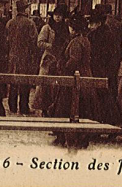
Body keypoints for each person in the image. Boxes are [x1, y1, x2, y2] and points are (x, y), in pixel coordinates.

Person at [52, 11, 96, 147]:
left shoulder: (76, 42)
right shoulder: (85, 40)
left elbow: (73, 60)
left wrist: (63, 67)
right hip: (86, 76)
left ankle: (64, 137)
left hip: (75, 78)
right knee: (83, 109)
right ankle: (82, 138)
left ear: (73, 28)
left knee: (66, 108)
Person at [32, 4, 70, 116]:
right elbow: (39, 42)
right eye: (56, 15)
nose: (57, 18)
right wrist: (51, 46)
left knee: (56, 85)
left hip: (60, 58)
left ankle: (54, 108)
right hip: (48, 59)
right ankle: (43, 108)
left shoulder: (65, 28)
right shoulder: (47, 28)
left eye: (60, 16)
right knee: (44, 84)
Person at [87, 7, 120, 125]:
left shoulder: (99, 35)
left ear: (99, 23)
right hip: (106, 69)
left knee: (103, 97)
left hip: (101, 70)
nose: (90, 26)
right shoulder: (106, 33)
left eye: (92, 23)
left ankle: (110, 123)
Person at [6, 0, 39, 115]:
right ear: (25, 9)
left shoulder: (10, 23)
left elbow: (6, 40)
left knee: (13, 82)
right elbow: (34, 42)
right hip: (26, 58)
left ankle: (12, 106)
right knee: (25, 82)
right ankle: (24, 107)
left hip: (12, 57)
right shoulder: (30, 23)